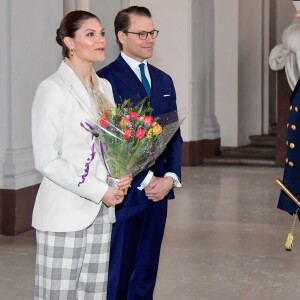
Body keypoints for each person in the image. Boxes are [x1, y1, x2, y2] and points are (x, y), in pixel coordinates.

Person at [31, 10, 132, 299]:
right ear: (69, 42)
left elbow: (110, 146)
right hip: (64, 212)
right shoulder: (52, 89)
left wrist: (119, 175)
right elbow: (47, 159)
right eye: (90, 34)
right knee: (58, 294)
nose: (100, 40)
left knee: (93, 293)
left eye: (101, 33)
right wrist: (100, 190)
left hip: (101, 212)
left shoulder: (105, 87)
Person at [97, 6, 182, 300]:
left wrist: (170, 176)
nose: (150, 39)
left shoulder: (164, 80)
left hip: (160, 193)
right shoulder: (105, 80)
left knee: (147, 269)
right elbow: (108, 143)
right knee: (119, 271)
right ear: (122, 36)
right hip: (126, 193)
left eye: (152, 32)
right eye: (141, 33)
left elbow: (174, 135)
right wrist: (146, 180)